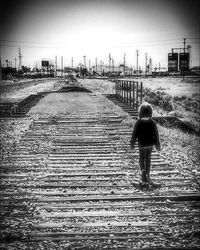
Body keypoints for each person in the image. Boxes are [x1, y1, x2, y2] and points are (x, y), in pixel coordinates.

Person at [130, 103, 161, 183]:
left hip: (142, 144)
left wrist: (132, 144)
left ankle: (143, 172)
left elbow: (134, 134)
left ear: (140, 112)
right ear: (150, 112)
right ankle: (147, 174)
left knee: (141, 158)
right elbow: (156, 135)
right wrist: (158, 146)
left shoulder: (138, 122)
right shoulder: (153, 123)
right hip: (150, 145)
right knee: (148, 159)